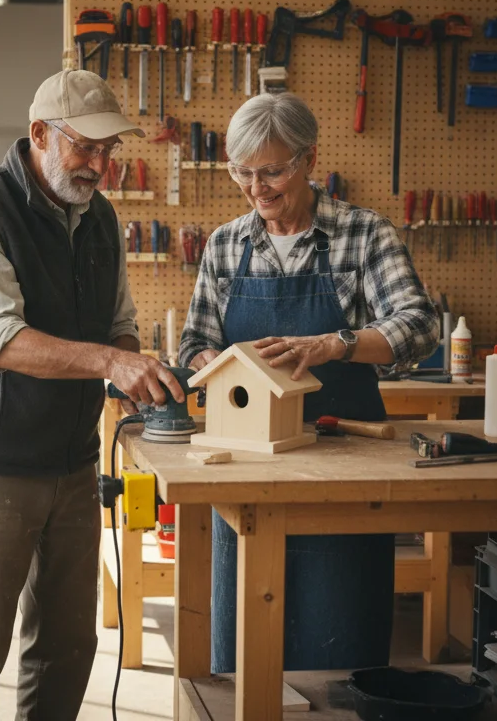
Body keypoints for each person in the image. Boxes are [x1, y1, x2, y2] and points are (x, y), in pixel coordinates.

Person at [0, 68, 183, 721]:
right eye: (85, 147)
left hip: (73, 464)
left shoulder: (100, 219)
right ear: (39, 134)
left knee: (68, 645)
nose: (100, 165)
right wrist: (110, 364)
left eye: (109, 150)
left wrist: (138, 371)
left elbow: (118, 320)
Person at [179, 93, 439, 673]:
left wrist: (335, 344)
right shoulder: (225, 245)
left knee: (338, 645)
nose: (257, 188)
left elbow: (420, 327)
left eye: (272, 170)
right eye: (242, 173)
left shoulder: (364, 233)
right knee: (244, 654)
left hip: (343, 465)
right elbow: (193, 343)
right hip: (247, 469)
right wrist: (218, 367)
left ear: (309, 158)